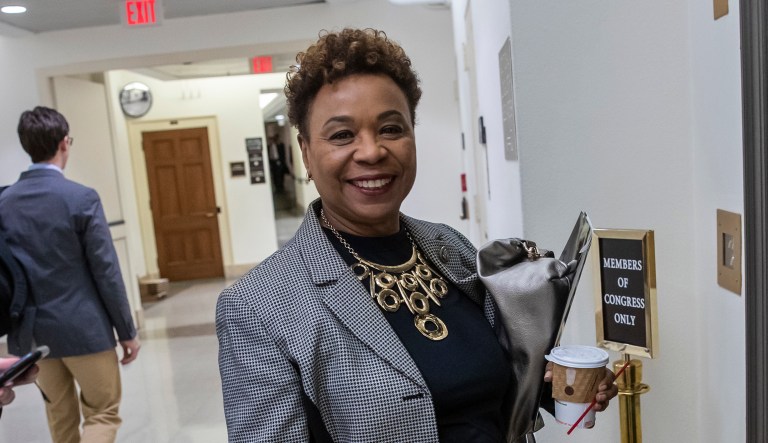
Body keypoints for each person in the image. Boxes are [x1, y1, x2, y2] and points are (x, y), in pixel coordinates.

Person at [216, 28, 618, 442]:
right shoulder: (258, 307)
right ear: (305, 152)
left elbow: (493, 380)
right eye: (342, 135)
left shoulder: (450, 248)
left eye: (391, 128)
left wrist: (557, 386)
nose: (371, 151)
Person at [0, 106, 140, 443]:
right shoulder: (81, 198)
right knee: (102, 413)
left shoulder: (4, 202)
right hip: (84, 329)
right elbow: (106, 270)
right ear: (65, 143)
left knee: (60, 419)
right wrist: (126, 330)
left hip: (31, 335)